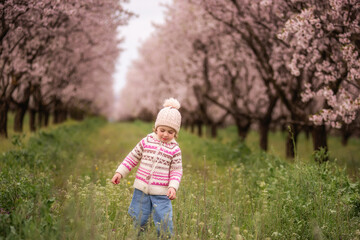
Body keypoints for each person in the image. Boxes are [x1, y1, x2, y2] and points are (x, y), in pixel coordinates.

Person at [111, 98, 183, 237]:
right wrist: (120, 172)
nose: (165, 135)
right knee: (139, 218)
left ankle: (165, 237)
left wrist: (173, 187)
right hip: (142, 189)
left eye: (170, 132)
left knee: (164, 220)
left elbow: (176, 170)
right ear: (155, 128)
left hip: (162, 193)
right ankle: (138, 235)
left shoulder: (175, 149)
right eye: (162, 130)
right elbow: (132, 157)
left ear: (176, 133)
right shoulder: (147, 141)